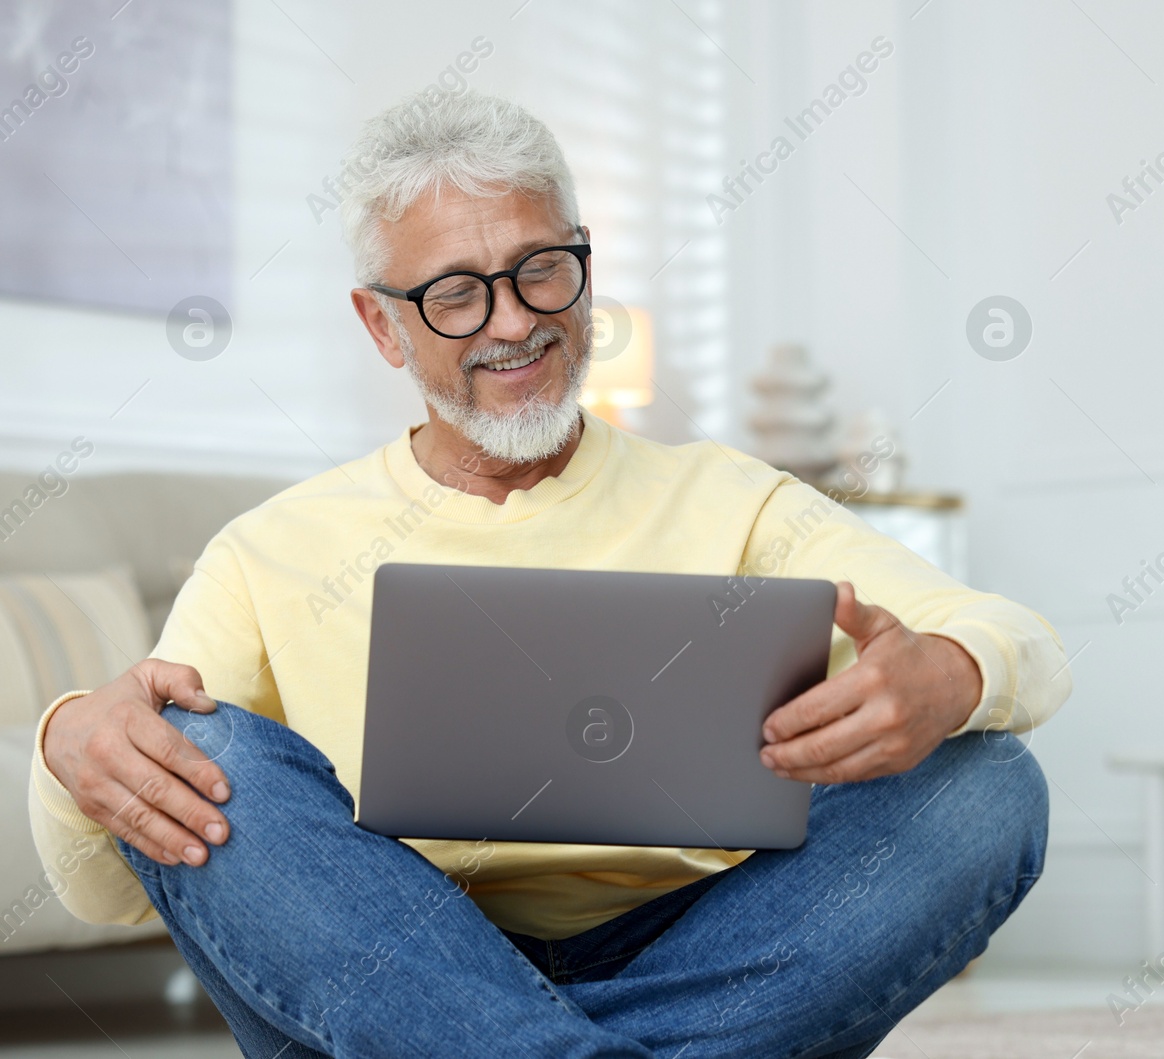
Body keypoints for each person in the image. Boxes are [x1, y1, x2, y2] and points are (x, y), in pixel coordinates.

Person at [30, 90, 1071, 1058]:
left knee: (982, 788)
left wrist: (948, 673)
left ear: (584, 263)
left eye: (541, 268)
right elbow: (117, 893)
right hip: (390, 962)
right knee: (208, 751)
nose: (514, 320)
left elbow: (1016, 637)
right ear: (381, 324)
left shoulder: (734, 499)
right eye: (452, 294)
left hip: (710, 951)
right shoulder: (268, 550)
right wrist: (68, 737)